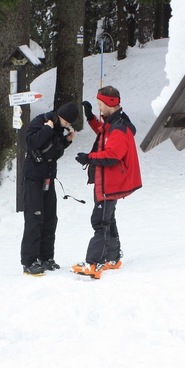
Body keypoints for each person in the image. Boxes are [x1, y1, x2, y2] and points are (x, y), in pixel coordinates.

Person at [72, 86, 142, 280]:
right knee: (108, 218)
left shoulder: (119, 127)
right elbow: (104, 134)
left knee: (100, 221)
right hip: (109, 181)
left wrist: (89, 158)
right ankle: (112, 258)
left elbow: (112, 155)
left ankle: (94, 263)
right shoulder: (114, 122)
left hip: (110, 182)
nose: (99, 108)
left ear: (110, 104)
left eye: (100, 105)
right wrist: (91, 118)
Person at [20, 102, 77, 276]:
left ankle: (46, 257)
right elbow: (30, 143)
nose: (67, 126)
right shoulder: (41, 121)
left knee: (50, 219)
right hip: (33, 179)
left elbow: (52, 152)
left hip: (48, 179)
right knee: (34, 219)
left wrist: (66, 141)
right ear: (60, 116)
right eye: (66, 122)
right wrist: (47, 129)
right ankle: (29, 261)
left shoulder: (59, 129)